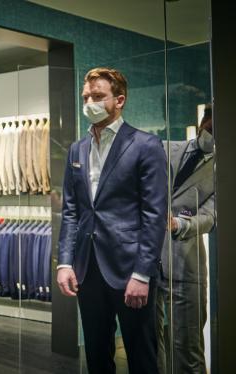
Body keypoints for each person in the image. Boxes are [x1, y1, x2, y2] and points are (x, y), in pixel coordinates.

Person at [56, 67, 168, 374]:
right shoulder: (77, 149)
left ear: (119, 100)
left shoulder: (146, 145)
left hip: (131, 269)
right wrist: (64, 262)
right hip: (88, 269)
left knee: (142, 356)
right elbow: (70, 210)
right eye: (86, 96)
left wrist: (143, 274)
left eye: (97, 96)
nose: (89, 102)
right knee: (96, 355)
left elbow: (155, 215)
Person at [157, 106, 215, 374]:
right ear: (203, 122)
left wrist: (179, 224)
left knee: (188, 350)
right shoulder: (165, 148)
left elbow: (212, 216)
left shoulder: (224, 170)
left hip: (185, 263)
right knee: (148, 344)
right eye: (212, 127)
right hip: (147, 263)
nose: (213, 134)